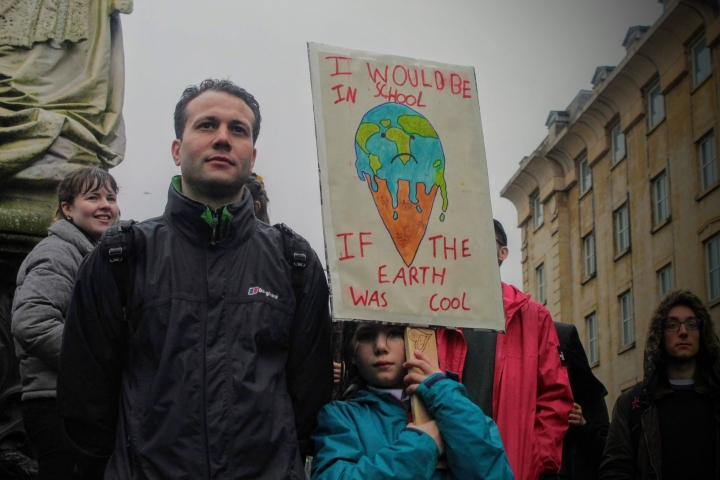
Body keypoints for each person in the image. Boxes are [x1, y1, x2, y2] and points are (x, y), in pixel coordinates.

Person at [57, 79, 333, 479]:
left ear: (251, 156)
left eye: (237, 130)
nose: (222, 138)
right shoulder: (122, 256)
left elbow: (310, 398)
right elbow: (85, 398)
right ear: (176, 148)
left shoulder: (296, 262)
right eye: (207, 125)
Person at [11, 167, 120, 479]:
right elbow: (33, 323)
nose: (105, 205)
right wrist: (99, 359)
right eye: (93, 197)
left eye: (111, 198)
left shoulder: (94, 253)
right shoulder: (59, 252)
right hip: (57, 403)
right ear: (67, 209)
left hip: (77, 401)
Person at [312, 321, 513, 479]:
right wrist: (423, 445)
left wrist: (444, 395)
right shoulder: (340, 417)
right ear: (352, 353)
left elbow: (494, 473)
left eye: (394, 333)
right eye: (367, 335)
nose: (381, 346)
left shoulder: (455, 405)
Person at [459, 220, 573, 480]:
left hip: (514, 466)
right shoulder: (440, 314)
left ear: (503, 253)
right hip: (450, 465)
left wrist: (538, 457)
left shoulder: (534, 318)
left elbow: (555, 396)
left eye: (484, 241)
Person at [599, 289, 720, 479]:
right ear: (659, 334)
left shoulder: (716, 396)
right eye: (672, 325)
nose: (683, 332)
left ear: (702, 331)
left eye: (691, 324)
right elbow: (615, 470)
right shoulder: (633, 403)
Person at [554, 322, 609, 480]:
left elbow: (607, 451)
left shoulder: (591, 396)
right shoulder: (538, 395)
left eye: (563, 364)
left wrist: (584, 426)